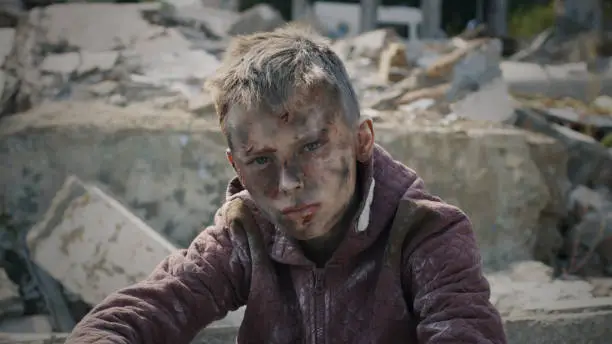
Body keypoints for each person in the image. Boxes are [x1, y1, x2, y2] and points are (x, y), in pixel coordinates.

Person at [66, 26, 507, 344]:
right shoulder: (245, 233)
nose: (289, 183)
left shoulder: (426, 234)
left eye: (312, 147)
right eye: (260, 160)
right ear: (235, 165)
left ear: (361, 139)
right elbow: (146, 310)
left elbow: (465, 328)